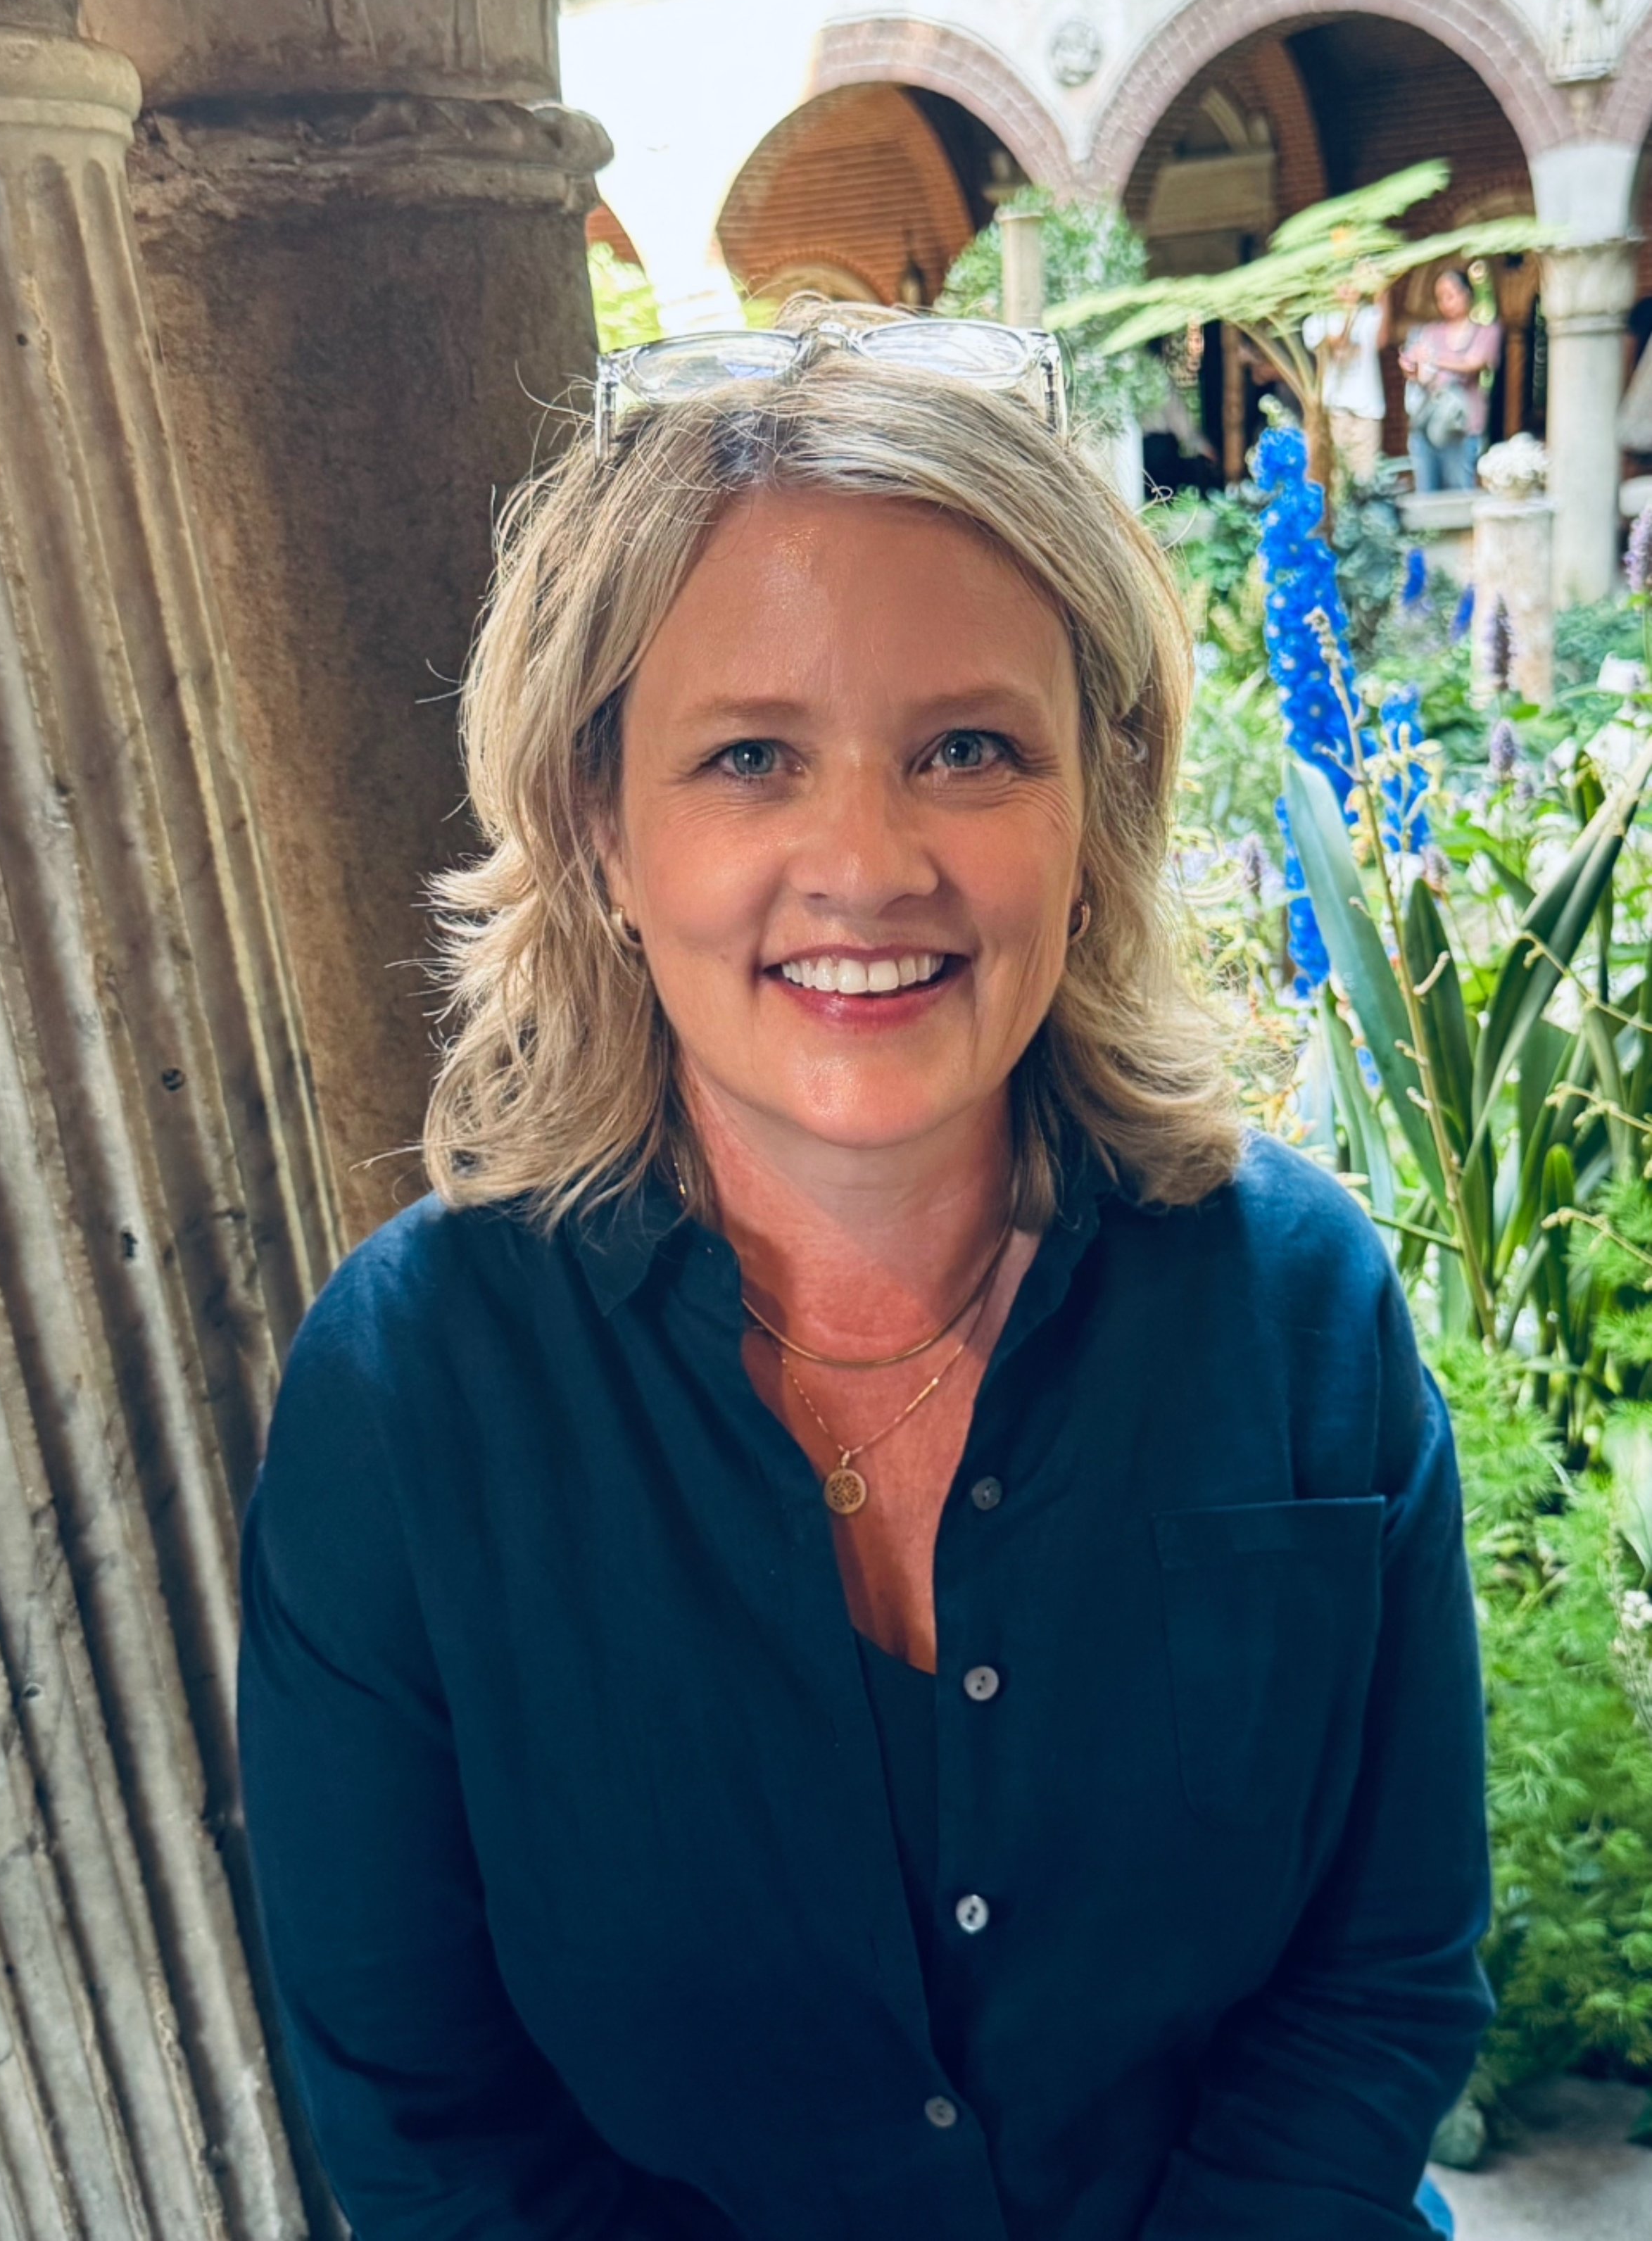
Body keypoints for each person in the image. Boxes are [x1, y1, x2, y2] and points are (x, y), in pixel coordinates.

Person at [237, 305, 1492, 2241]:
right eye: (749, 756)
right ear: (597, 828)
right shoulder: (411, 1401)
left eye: (968, 748)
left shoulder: (1296, 1309)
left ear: (1093, 807)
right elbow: (432, 2127)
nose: (864, 859)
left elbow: (1382, 1977)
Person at [1401, 267, 1501, 493]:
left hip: (1462, 428)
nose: (1446, 303)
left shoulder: (1487, 332)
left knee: (1461, 495)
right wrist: (1410, 366)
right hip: (1428, 425)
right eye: (1440, 298)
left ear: (1467, 294)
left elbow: (1473, 365)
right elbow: (1419, 372)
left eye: (1451, 295)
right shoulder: (1429, 332)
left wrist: (1434, 360)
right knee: (1427, 494)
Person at [1304, 274, 1389, 483]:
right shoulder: (1318, 321)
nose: (1349, 288)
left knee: (1366, 477)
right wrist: (1350, 315)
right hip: (1334, 410)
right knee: (1337, 478)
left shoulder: (1370, 316)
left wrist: (1382, 291)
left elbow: (1383, 339)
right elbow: (1338, 347)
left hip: (1368, 410)